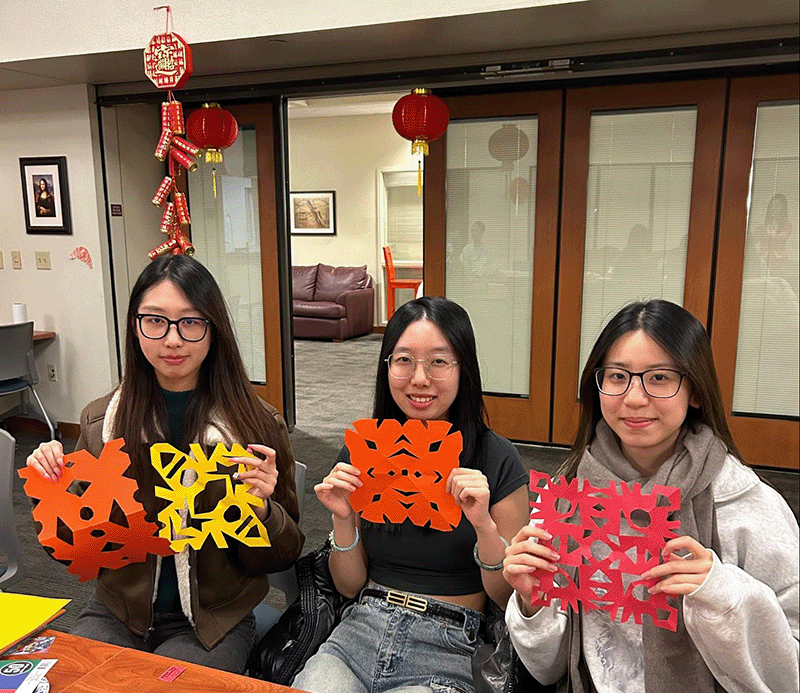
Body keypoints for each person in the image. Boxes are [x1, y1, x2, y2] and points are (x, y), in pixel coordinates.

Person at [26, 254, 304, 673]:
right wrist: (52, 491)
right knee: (58, 680)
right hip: (118, 611)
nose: (172, 340)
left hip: (213, 622)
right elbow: (73, 553)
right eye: (155, 320)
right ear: (136, 327)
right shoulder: (103, 423)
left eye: (190, 322)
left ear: (214, 331)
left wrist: (263, 511)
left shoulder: (256, 426)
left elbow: (282, 556)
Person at [503, 299, 799, 693]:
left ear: (694, 390)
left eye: (659, 378)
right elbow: (548, 669)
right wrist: (531, 603)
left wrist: (721, 591)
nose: (635, 398)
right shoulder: (567, 497)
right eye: (617, 376)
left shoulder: (745, 506)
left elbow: (790, 673)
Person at [292, 296, 530, 693]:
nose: (420, 378)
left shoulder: (496, 457)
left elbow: (508, 598)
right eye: (403, 360)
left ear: (463, 369)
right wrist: (342, 518)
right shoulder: (364, 450)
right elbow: (349, 586)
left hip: (447, 642)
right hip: (359, 629)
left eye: (439, 361)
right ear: (387, 366)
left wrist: (485, 526)